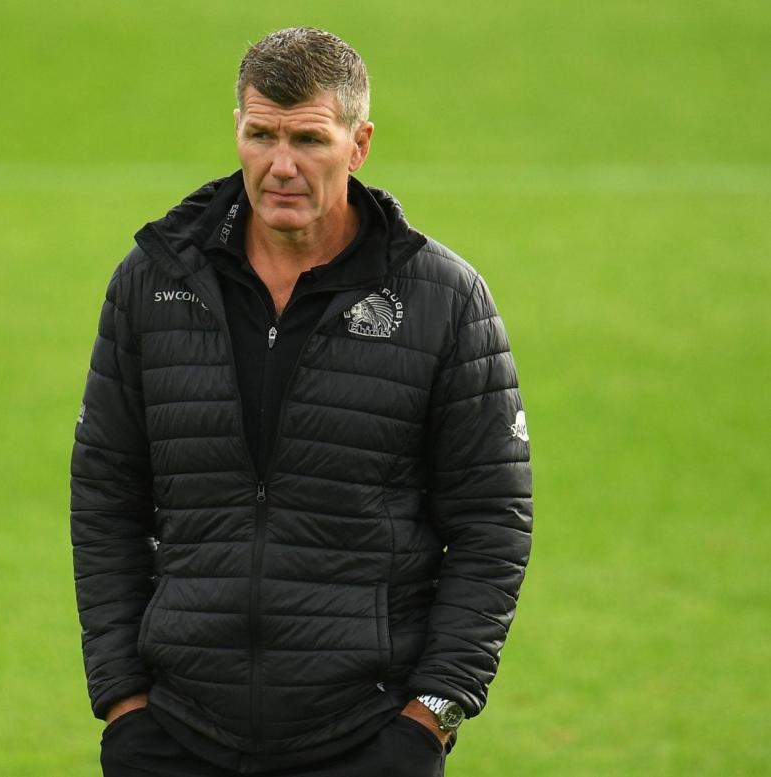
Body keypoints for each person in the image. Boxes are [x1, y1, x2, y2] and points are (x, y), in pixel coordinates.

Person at [71, 26, 532, 777]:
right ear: (239, 132)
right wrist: (123, 701)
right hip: (176, 733)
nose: (280, 165)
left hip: (368, 737)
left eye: (309, 139)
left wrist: (433, 716)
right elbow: (105, 497)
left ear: (359, 144)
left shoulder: (444, 300)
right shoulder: (153, 282)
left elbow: (491, 524)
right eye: (261, 135)